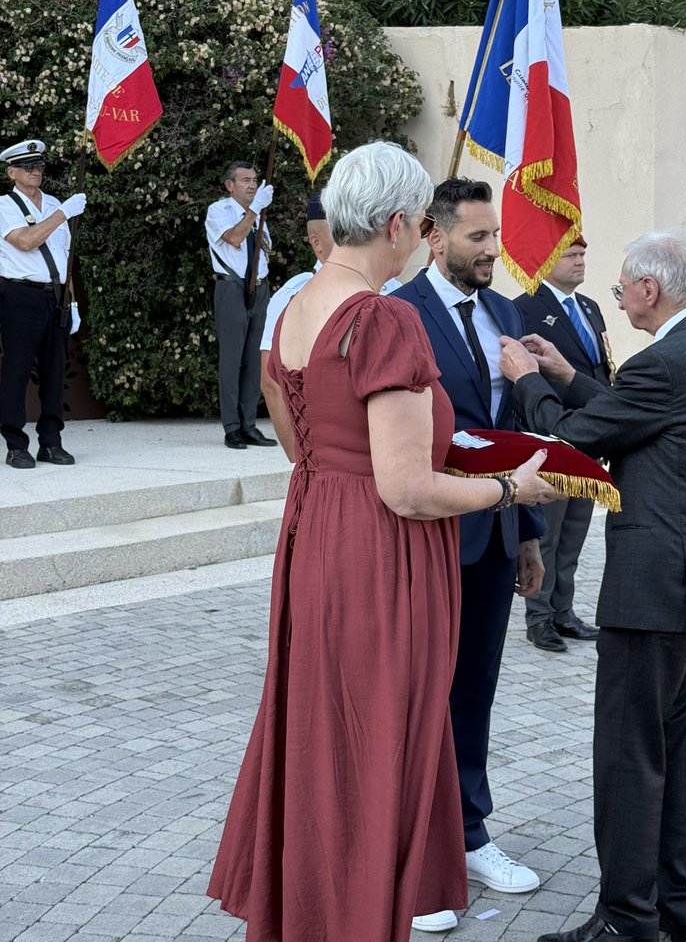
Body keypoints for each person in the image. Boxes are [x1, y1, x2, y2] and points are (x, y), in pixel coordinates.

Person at [207, 142, 558, 942]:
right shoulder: (383, 317)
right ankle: (360, 915)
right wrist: (512, 489)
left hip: (316, 539)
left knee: (322, 740)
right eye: (421, 225)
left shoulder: (297, 305)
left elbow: (301, 446)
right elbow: (406, 486)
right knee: (376, 748)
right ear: (399, 224)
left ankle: (316, 914)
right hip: (378, 552)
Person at [499, 228, 686, 942]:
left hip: (655, 594)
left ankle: (624, 922)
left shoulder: (667, 363)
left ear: (649, 289)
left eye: (622, 289)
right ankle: (679, 912)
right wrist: (564, 375)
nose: (618, 299)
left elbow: (575, 441)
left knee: (628, 758)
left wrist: (523, 376)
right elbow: (634, 416)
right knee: (672, 753)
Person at [392, 177, 549, 933]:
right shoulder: (400, 313)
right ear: (434, 235)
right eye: (478, 238)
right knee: (421, 696)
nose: (493, 250)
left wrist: (527, 540)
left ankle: (470, 835)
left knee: (474, 692)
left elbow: (513, 429)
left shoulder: (506, 312)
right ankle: (414, 864)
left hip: (495, 535)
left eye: (495, 238)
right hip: (426, 538)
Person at [515, 237, 614, 653]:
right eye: (571, 255)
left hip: (588, 438)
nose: (580, 262)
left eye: (583, 255)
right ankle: (539, 619)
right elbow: (525, 378)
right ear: (547, 258)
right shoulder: (525, 308)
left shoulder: (589, 308)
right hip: (552, 437)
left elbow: (602, 369)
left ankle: (563, 611)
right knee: (548, 534)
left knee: (574, 533)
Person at [260, 191, 400, 459]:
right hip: (327, 456)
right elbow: (271, 382)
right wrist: (300, 455)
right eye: (339, 233)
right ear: (316, 243)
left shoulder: (394, 289)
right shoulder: (294, 294)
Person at [0, 139, 86, 468]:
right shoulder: (5, 206)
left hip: (56, 295)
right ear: (12, 172)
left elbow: (66, 258)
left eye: (39, 166)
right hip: (20, 295)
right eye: (27, 167)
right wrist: (62, 213)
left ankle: (51, 442)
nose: (35, 171)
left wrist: (73, 301)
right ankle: (15, 444)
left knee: (53, 372)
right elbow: (25, 241)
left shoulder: (52, 203)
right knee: (17, 371)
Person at [205, 161, 277, 449]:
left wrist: (257, 213)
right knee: (232, 360)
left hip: (258, 288)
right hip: (231, 287)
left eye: (255, 179)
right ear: (229, 185)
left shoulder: (258, 215)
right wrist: (255, 210)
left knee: (253, 363)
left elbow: (266, 251)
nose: (252, 185)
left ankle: (249, 426)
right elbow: (234, 238)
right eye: (245, 180)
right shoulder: (219, 211)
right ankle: (232, 428)